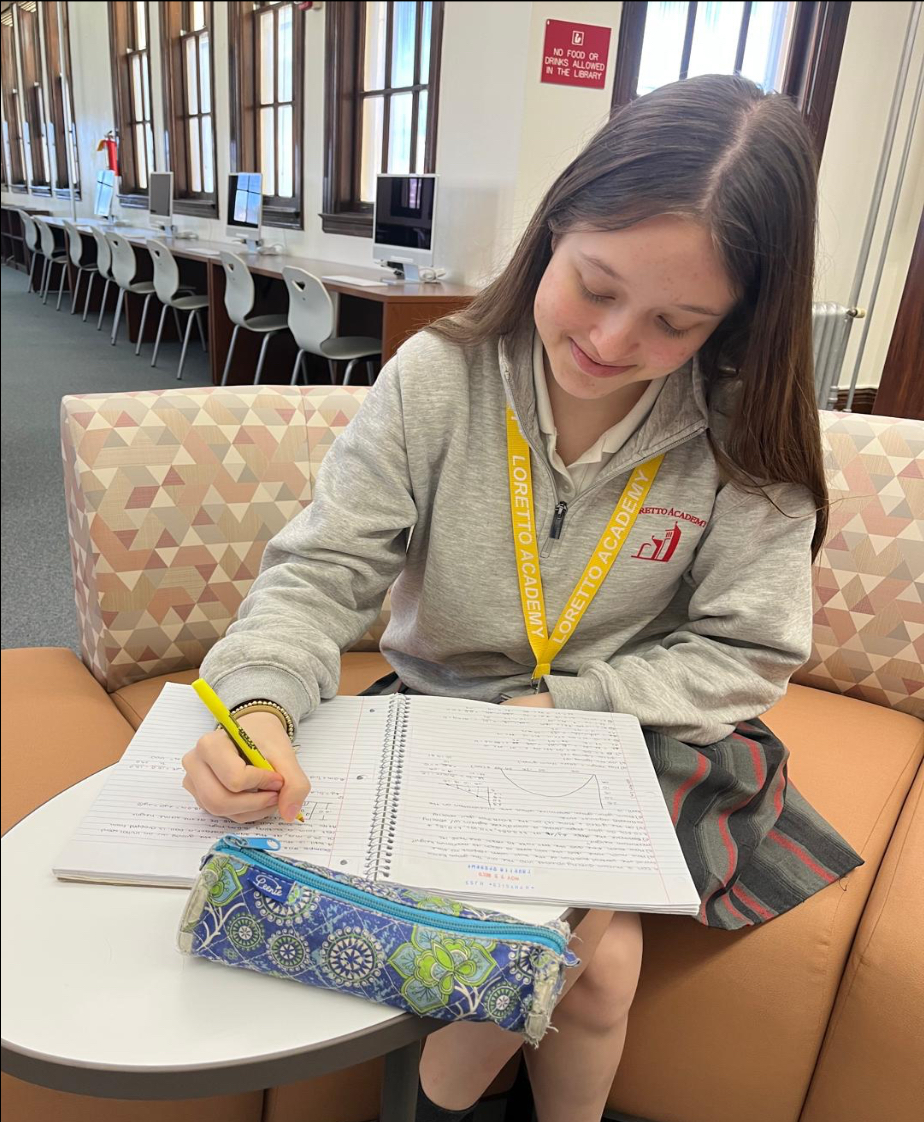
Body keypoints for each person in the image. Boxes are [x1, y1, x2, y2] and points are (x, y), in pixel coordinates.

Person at [182, 74, 862, 1122]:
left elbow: (748, 652)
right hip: (443, 715)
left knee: (565, 959)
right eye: (595, 284)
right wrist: (258, 703)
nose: (613, 341)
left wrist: (559, 712)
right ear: (551, 229)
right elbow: (317, 578)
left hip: (637, 732)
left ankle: (437, 1099)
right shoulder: (436, 379)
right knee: (603, 972)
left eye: (677, 323)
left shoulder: (746, 428)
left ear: (736, 323)